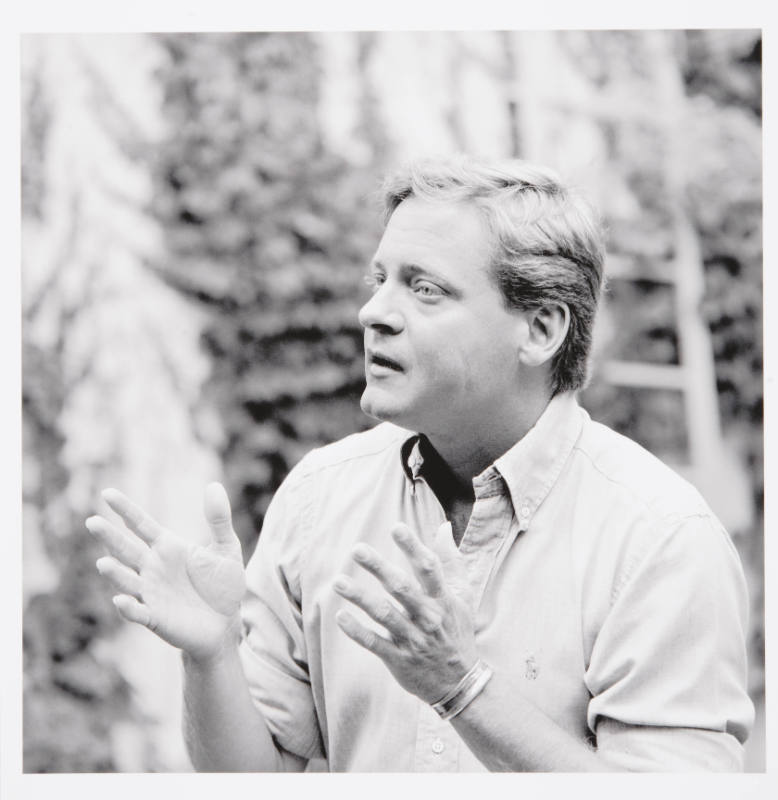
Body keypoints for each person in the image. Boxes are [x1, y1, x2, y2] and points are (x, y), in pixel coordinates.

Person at [86, 155, 754, 772]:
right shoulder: (321, 498)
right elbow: (256, 777)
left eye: (425, 289)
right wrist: (210, 657)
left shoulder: (660, 540)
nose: (374, 313)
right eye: (380, 280)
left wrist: (461, 688)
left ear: (541, 329)